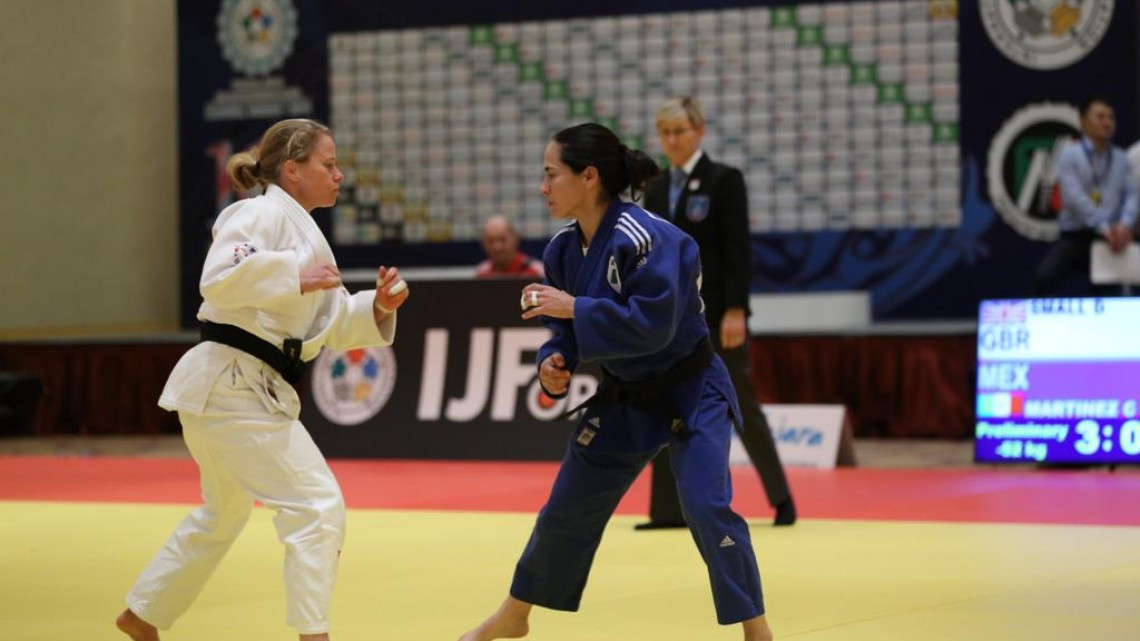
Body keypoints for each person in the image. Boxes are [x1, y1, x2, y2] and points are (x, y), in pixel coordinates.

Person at [457, 123, 773, 641]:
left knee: (705, 503)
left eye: (550, 174)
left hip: (691, 388)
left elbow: (655, 327)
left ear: (589, 177)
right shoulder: (563, 251)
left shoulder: (651, 238)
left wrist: (575, 307)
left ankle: (756, 628)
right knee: (566, 507)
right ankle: (514, 616)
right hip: (626, 397)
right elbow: (562, 331)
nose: (543, 187)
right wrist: (553, 362)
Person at [115, 118, 409, 641]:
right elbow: (220, 278)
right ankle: (312, 636)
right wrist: (293, 276)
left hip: (231, 389)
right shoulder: (257, 213)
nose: (339, 175)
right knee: (317, 507)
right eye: (329, 163)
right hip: (232, 386)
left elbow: (329, 323)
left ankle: (143, 614)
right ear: (293, 170)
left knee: (222, 513)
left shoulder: (305, 234)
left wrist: (378, 306)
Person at [639, 96, 795, 529]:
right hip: (668, 319)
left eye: (680, 131)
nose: (672, 140)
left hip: (716, 317)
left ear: (699, 131)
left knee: (739, 400)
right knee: (665, 403)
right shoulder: (653, 189)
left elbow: (736, 251)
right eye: (665, 133)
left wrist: (736, 310)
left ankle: (782, 498)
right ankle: (668, 511)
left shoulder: (724, 180)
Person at [1033, 95, 1139, 296]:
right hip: (1076, 237)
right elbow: (1076, 199)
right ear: (1083, 121)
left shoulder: (1121, 158)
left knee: (1108, 293)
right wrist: (1105, 227)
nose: (1107, 123)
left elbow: (1132, 196)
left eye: (1111, 118)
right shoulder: (1069, 155)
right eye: (1100, 117)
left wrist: (1125, 225)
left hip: (1111, 240)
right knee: (1045, 277)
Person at [475, 215, 544, 278]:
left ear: (515, 239)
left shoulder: (536, 271)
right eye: (491, 241)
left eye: (502, 239)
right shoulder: (481, 273)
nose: (497, 247)